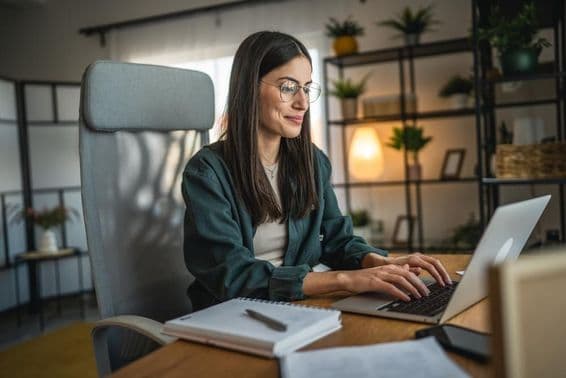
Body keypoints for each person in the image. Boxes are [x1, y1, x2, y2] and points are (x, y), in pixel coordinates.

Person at [182, 31, 452, 311]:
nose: (302, 103)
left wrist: (379, 263)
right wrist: (346, 280)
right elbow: (233, 275)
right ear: (249, 87)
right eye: (288, 87)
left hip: (300, 305)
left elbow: (337, 239)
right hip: (234, 312)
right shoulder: (207, 172)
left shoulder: (312, 161)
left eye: (307, 88)